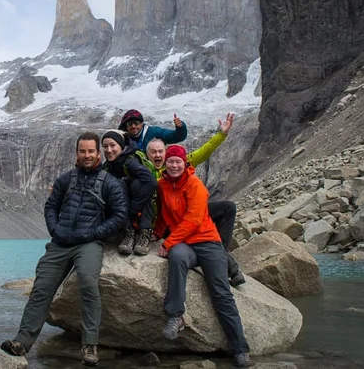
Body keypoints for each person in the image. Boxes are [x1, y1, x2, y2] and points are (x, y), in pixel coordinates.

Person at [1, 132, 128, 367]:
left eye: (91, 151)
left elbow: (120, 216)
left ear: (98, 154)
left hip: (88, 243)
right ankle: (22, 342)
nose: (87, 155)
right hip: (60, 243)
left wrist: (93, 233)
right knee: (41, 288)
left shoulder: (110, 183)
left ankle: (90, 345)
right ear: (77, 153)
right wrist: (54, 229)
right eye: (83, 151)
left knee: (88, 285)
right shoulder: (65, 180)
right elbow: (51, 206)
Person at [154, 145, 253, 368]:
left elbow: (194, 219)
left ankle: (240, 348)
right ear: (166, 163)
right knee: (177, 258)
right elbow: (163, 213)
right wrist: (157, 234)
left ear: (185, 163)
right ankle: (175, 316)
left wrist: (168, 242)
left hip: (207, 241)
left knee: (220, 293)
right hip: (184, 245)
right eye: (170, 161)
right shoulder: (162, 185)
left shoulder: (195, 184)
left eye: (178, 161)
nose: (174, 165)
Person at [145, 113, 246, 287]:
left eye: (160, 151)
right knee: (188, 232)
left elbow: (203, 151)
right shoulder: (144, 171)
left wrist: (221, 134)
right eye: (153, 152)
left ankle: (220, 254)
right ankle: (230, 266)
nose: (157, 155)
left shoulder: (177, 162)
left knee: (227, 208)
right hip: (166, 218)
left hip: (188, 211)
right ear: (147, 155)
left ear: (166, 152)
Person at [100, 130, 158, 256]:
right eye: (105, 146)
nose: (109, 150)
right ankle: (128, 232)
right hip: (125, 207)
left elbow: (151, 183)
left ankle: (145, 232)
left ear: (121, 146)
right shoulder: (108, 166)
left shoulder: (131, 161)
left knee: (139, 185)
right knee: (115, 185)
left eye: (112, 145)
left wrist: (131, 210)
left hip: (139, 204)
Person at [118, 109, 188, 152]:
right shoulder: (122, 137)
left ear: (142, 123)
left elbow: (177, 136)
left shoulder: (154, 132)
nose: (133, 126)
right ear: (126, 126)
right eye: (130, 124)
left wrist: (180, 127)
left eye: (136, 123)